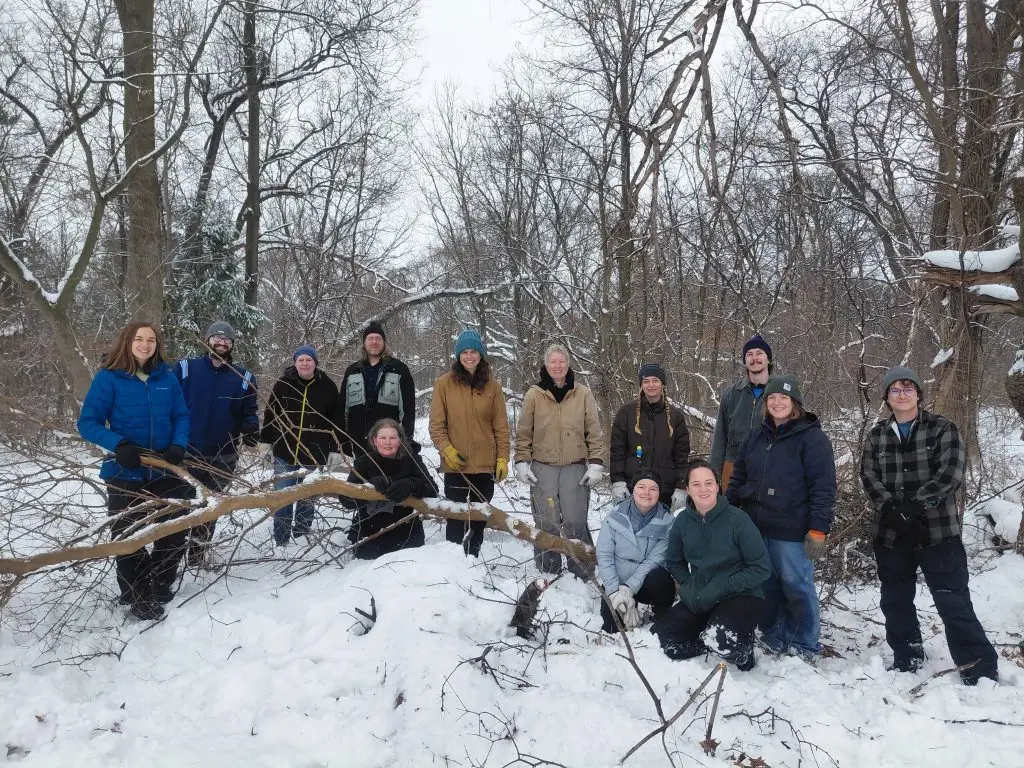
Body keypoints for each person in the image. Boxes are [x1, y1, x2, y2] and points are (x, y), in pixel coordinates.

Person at [860, 366, 998, 685]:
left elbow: (951, 473)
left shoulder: (941, 428)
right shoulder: (877, 435)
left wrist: (918, 506)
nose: (902, 393)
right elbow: (869, 476)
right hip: (891, 533)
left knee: (953, 600)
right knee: (895, 599)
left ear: (919, 394)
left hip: (938, 533)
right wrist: (892, 509)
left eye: (909, 388)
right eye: (895, 389)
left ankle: (978, 667)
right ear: (887, 398)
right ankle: (908, 655)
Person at [77, 321, 191, 620]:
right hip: (124, 469)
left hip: (165, 468)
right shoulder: (109, 378)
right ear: (127, 341)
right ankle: (137, 593)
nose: (145, 344)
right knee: (129, 536)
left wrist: (178, 445)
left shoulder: (166, 376)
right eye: (139, 339)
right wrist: (119, 445)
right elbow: (88, 422)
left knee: (174, 531)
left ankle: (161, 584)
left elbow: (181, 414)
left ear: (157, 345)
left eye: (151, 340)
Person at [727, 375, 836, 659]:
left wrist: (818, 528)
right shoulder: (756, 435)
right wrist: (727, 510)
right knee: (766, 584)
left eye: (784, 398)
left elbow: (823, 486)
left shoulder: (812, 438)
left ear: (795, 403)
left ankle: (804, 643)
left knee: (796, 585)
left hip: (792, 528)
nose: (777, 403)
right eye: (772, 398)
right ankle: (773, 634)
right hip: (756, 525)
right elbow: (738, 477)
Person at [654, 461, 771, 670]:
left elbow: (761, 568)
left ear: (718, 486)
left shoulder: (738, 520)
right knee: (661, 639)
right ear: (688, 489)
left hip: (741, 596)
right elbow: (674, 561)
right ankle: (706, 640)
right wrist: (688, 585)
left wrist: (722, 586)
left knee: (722, 640)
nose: (703, 489)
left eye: (708, 483)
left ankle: (742, 650)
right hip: (702, 596)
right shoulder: (682, 521)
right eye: (696, 484)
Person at [513, 344, 606, 577]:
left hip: (574, 466)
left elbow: (593, 430)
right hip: (543, 466)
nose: (557, 366)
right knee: (547, 522)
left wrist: (596, 463)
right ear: (546, 364)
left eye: (561, 361)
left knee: (575, 520)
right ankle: (548, 570)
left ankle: (582, 571)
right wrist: (522, 460)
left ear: (568, 364)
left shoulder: (582, 393)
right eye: (553, 362)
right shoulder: (535, 394)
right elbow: (524, 430)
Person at [174, 321, 259, 566]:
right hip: (188, 452)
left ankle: (197, 556)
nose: (222, 342)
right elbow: (165, 397)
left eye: (227, 340)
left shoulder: (243, 377)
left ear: (232, 345)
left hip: (224, 454)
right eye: (217, 338)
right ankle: (171, 555)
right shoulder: (185, 368)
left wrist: (250, 427)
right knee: (184, 506)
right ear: (207, 340)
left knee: (210, 509)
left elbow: (249, 410)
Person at [429, 330, 510, 557]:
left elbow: (501, 427)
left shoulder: (493, 387)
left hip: (485, 466)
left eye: (473, 351)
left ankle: (472, 560)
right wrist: (447, 450)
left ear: (481, 354)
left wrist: (502, 457)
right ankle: (453, 562)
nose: (469, 356)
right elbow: (436, 425)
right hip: (456, 466)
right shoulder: (444, 384)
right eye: (464, 352)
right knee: (456, 517)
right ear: (458, 356)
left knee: (477, 519)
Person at [260, 345, 342, 545]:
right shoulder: (283, 384)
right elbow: (271, 414)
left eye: (309, 360)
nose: (305, 363)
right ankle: (281, 540)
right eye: (301, 360)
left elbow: (337, 420)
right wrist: (265, 443)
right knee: (283, 497)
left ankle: (301, 536)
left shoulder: (328, 386)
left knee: (307, 498)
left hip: (315, 454)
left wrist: (336, 449)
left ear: (315, 362)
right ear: (295, 362)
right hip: (284, 452)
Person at [342, 419, 438, 559]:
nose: (388, 442)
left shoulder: (411, 459)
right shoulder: (363, 462)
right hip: (369, 536)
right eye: (383, 437)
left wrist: (411, 484)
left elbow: (432, 490)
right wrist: (368, 486)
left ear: (400, 440)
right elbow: (346, 501)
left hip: (407, 535)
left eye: (393, 437)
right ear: (375, 440)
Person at [595, 469, 675, 633]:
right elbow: (604, 555)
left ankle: (659, 615)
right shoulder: (614, 516)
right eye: (641, 487)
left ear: (659, 493)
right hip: (617, 582)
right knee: (611, 628)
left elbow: (655, 560)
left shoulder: (667, 521)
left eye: (653, 488)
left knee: (662, 579)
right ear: (633, 489)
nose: (647, 493)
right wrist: (615, 592)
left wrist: (629, 589)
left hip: (647, 582)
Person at [609, 362, 690, 510]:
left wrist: (681, 485)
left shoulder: (676, 417)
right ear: (641, 384)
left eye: (655, 380)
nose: (651, 385)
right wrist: (617, 481)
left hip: (665, 489)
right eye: (646, 381)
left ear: (663, 384)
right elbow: (617, 451)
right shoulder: (626, 413)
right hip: (632, 486)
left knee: (661, 530)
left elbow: (681, 456)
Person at [338, 321, 416, 459]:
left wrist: (406, 440)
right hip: (358, 445)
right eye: (370, 338)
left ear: (384, 342)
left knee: (388, 480)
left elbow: (408, 410)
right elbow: (343, 410)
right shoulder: (352, 371)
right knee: (360, 481)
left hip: (388, 445)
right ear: (364, 343)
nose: (374, 342)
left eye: (378, 338)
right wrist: (343, 442)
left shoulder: (399, 369)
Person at [709, 334, 772, 490]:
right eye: (749, 354)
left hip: (769, 467)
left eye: (759, 353)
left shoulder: (780, 394)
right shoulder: (732, 393)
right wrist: (713, 476)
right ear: (745, 361)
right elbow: (720, 438)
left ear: (768, 359)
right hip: (733, 467)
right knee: (732, 512)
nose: (754, 358)